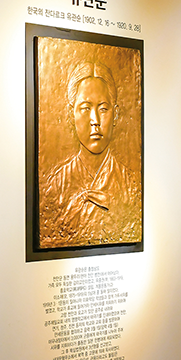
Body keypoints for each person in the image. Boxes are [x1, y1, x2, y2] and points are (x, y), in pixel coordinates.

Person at [40, 60, 140, 248]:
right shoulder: (56, 187)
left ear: (116, 114)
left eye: (103, 109)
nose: (95, 120)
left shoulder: (131, 186)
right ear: (71, 114)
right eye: (85, 108)